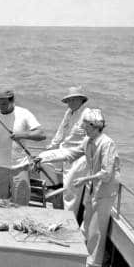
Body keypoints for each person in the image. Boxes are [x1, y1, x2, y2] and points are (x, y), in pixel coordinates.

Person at [35, 108, 119, 267]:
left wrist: (84, 179)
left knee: (97, 225)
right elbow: (71, 154)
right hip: (92, 186)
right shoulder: (88, 141)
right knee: (87, 221)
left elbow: (107, 173)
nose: (83, 128)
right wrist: (44, 157)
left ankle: (94, 261)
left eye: (86, 125)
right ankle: (81, 251)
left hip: (105, 189)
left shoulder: (107, 143)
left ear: (94, 126)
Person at [45, 86, 89, 220]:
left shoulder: (87, 114)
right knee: (67, 190)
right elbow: (60, 132)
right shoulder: (69, 113)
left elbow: (93, 136)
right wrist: (51, 147)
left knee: (71, 192)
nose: (71, 102)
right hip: (66, 156)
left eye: (74, 99)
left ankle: (69, 220)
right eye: (69, 100)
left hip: (79, 158)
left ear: (80, 100)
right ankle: (65, 218)